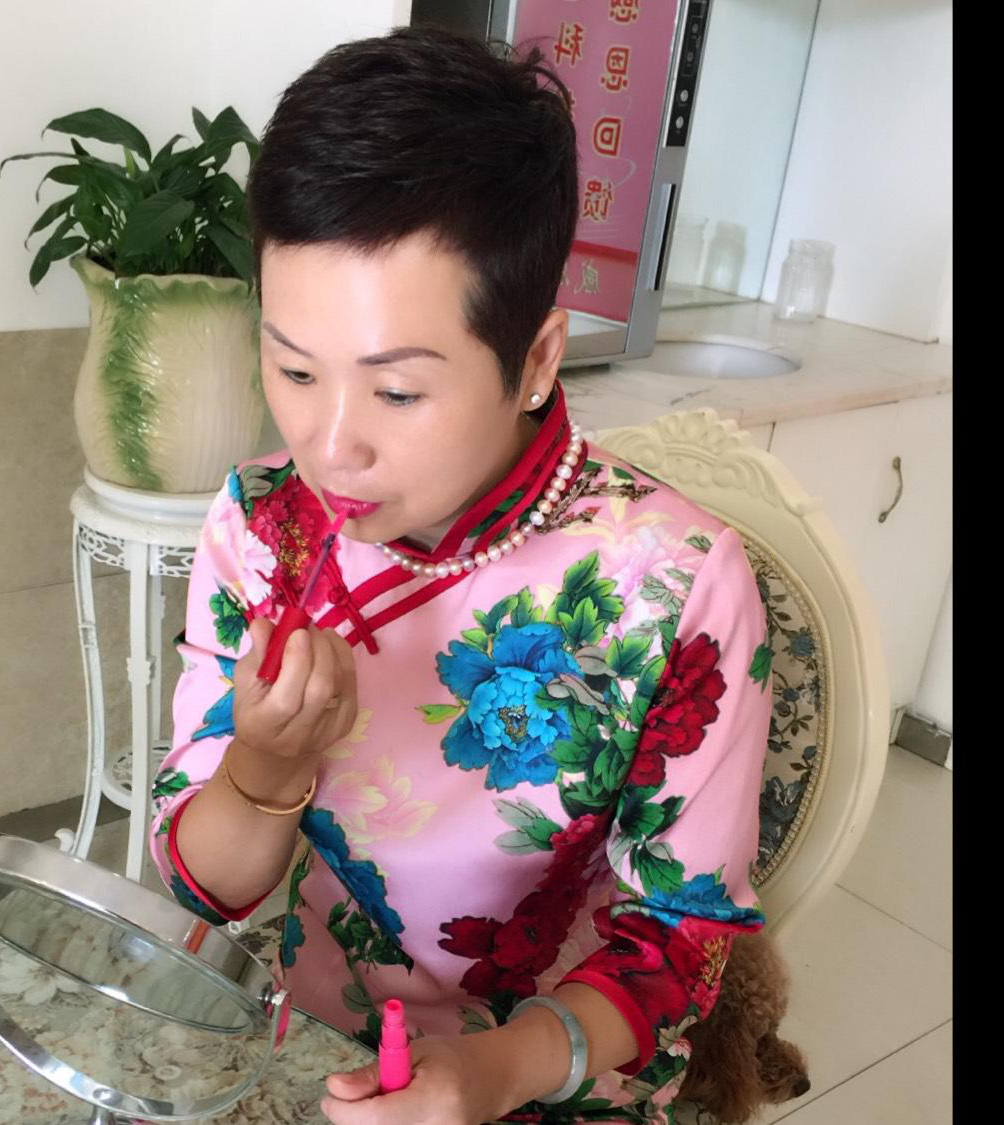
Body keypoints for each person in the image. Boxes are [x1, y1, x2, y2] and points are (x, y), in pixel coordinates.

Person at [149, 24, 771, 1125]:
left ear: (534, 359)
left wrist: (494, 1072)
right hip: (302, 1050)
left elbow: (682, 940)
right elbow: (207, 886)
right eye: (292, 368)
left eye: (396, 392)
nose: (328, 446)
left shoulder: (675, 587)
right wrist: (263, 769)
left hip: (548, 1077)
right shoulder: (263, 527)